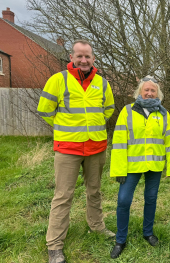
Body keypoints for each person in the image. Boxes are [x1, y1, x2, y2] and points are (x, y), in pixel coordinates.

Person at [37, 40, 115, 263]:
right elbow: (45, 110)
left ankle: (97, 227)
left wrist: (96, 122)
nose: (83, 60)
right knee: (63, 196)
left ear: (93, 59)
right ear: (72, 57)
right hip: (68, 148)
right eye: (79, 56)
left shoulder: (102, 83)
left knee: (95, 191)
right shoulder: (58, 80)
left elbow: (108, 108)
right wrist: (65, 128)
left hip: (96, 146)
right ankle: (54, 245)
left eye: (87, 56)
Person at [109, 76, 170, 259]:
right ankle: (120, 240)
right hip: (132, 165)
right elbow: (118, 142)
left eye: (153, 90)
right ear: (139, 92)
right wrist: (118, 169)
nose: (149, 93)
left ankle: (148, 232)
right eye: (146, 90)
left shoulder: (163, 114)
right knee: (123, 201)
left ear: (158, 94)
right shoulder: (127, 111)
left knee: (151, 198)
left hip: (154, 165)